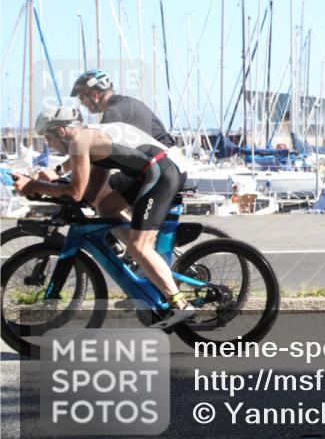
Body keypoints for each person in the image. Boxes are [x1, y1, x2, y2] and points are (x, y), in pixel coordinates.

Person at [13, 105, 194, 328]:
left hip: (161, 172)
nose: (48, 144)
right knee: (105, 207)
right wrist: (52, 183)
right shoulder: (90, 137)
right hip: (151, 170)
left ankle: (179, 304)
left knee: (139, 246)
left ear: (60, 131)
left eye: (47, 138)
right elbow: (88, 195)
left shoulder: (79, 141)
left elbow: (75, 192)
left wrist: (34, 186)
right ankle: (143, 261)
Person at [42, 69, 177, 219]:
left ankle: (139, 231)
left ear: (94, 94)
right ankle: (124, 233)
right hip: (152, 167)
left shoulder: (115, 111)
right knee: (105, 208)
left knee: (102, 195)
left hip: (162, 168)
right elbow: (98, 156)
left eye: (82, 98)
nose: (82, 103)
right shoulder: (122, 105)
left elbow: (90, 150)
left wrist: (59, 172)